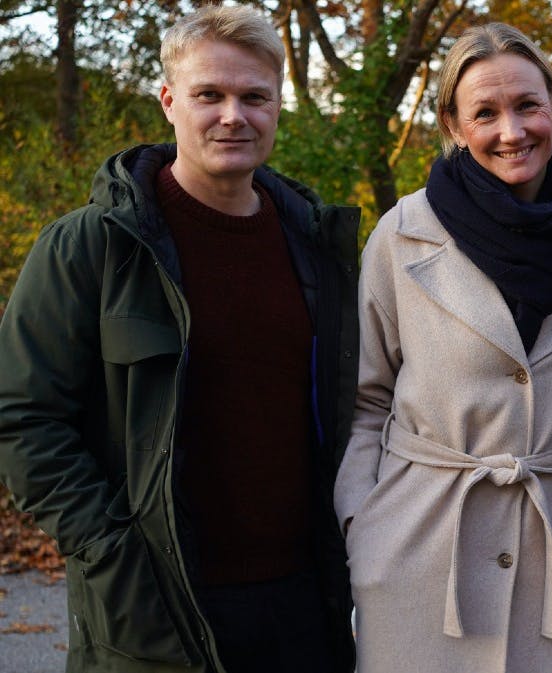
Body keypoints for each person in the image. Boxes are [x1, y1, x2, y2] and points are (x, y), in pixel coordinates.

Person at [0, 6, 358, 673]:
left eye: (255, 97)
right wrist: (110, 550)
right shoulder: (93, 245)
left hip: (303, 607)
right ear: (169, 101)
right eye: (209, 95)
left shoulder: (318, 248)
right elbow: (22, 416)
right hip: (155, 602)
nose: (233, 115)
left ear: (279, 108)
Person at [332, 22, 552, 673]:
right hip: (417, 551)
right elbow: (363, 400)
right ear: (452, 122)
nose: (511, 130)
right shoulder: (403, 235)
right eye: (485, 112)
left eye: (527, 105)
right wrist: (366, 530)